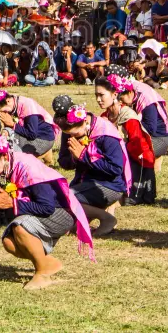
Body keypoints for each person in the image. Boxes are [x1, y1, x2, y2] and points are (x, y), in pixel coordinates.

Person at [0, 133, 94, 290]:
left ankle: (42, 273)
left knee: (20, 227)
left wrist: (12, 203)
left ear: (3, 155)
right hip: (37, 212)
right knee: (9, 243)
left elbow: (46, 207)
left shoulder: (28, 167)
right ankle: (48, 262)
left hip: (60, 212)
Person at [53, 95, 132, 236]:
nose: (73, 137)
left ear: (84, 121)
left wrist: (84, 156)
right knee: (64, 224)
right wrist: (74, 157)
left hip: (109, 186)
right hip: (83, 184)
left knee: (64, 197)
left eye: (76, 133)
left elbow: (115, 168)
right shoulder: (70, 130)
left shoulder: (105, 133)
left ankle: (106, 218)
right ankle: (83, 218)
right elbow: (64, 161)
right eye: (68, 134)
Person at [95, 75, 156, 204]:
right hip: (119, 160)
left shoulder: (128, 117)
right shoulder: (104, 116)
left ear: (114, 94)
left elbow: (138, 145)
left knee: (128, 201)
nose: (98, 99)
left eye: (101, 95)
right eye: (96, 95)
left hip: (137, 161)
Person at [106, 69, 168, 172]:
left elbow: (150, 128)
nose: (121, 103)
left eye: (122, 100)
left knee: (124, 149)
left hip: (158, 139)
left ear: (130, 92)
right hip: (142, 136)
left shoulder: (147, 101)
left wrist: (127, 130)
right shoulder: (134, 94)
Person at [0, 86, 57, 163]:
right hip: (32, 135)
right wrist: (7, 129)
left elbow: (32, 134)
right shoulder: (14, 103)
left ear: (8, 101)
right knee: (5, 141)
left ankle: (45, 153)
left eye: (3, 110)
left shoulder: (27, 107)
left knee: (12, 153)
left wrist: (12, 124)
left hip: (42, 139)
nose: (2, 113)